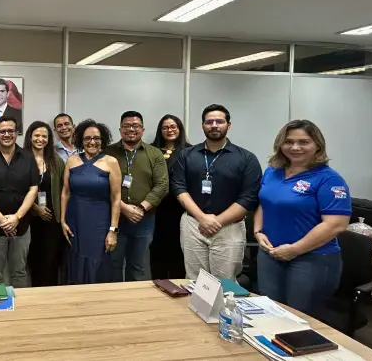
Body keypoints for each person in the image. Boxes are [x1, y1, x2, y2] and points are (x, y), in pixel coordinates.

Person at [255, 120, 351, 316]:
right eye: (289, 142)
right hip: (270, 254)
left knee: (298, 318)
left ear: (317, 145)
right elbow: (263, 203)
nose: (295, 147)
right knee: (269, 312)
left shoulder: (329, 179)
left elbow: (336, 224)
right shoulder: (272, 172)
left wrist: (294, 250)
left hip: (311, 259)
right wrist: (258, 232)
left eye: (304, 142)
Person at [171, 104, 262, 280]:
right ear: (202, 125)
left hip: (229, 226)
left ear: (229, 125)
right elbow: (179, 187)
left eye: (219, 121)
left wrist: (216, 222)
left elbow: (248, 197)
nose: (214, 125)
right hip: (193, 224)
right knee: (195, 280)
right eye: (209, 122)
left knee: (225, 282)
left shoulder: (246, 158)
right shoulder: (187, 155)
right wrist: (202, 218)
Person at [0, 115, 38, 287]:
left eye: (11, 131)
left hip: (21, 226)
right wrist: (2, 220)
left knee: (19, 271)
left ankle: (20, 304)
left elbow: (33, 190)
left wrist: (16, 217)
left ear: (16, 133)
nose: (7, 134)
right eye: (2, 131)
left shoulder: (28, 157)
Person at [105, 111, 168, 282]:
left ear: (142, 129)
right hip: (114, 218)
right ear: (120, 129)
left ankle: (137, 298)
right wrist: (124, 208)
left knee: (139, 265)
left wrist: (140, 208)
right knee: (112, 263)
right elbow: (102, 184)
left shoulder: (154, 154)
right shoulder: (108, 152)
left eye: (135, 126)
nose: (131, 129)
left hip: (144, 219)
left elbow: (162, 185)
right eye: (126, 126)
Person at [61, 119, 121, 285]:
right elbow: (65, 192)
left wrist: (113, 230)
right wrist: (62, 221)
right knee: (75, 259)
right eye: (87, 138)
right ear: (81, 140)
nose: (92, 142)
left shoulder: (111, 162)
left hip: (99, 223)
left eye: (96, 138)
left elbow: (116, 198)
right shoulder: (72, 160)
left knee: (97, 260)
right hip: (75, 221)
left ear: (103, 140)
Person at [23, 121, 66, 287]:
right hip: (28, 219)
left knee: (50, 262)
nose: (40, 139)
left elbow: (64, 190)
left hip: (51, 220)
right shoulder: (21, 158)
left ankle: (51, 295)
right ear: (30, 137)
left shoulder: (56, 161)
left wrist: (62, 218)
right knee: (32, 261)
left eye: (44, 136)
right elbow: (17, 189)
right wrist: (36, 208)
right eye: (36, 135)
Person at [150, 114, 190, 280]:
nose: (169, 130)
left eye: (173, 127)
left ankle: (178, 287)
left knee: (178, 251)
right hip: (155, 209)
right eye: (165, 127)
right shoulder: (151, 150)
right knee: (156, 252)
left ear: (179, 129)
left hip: (180, 209)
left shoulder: (190, 151)